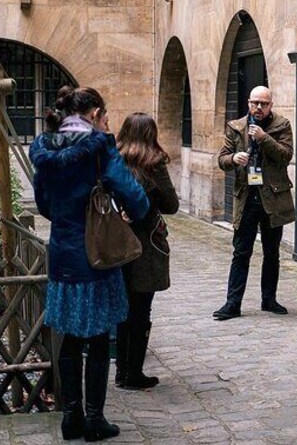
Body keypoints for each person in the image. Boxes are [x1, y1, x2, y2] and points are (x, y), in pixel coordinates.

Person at [30, 87, 149, 442]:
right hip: (96, 253)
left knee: (68, 337)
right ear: (95, 113)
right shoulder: (99, 147)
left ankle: (71, 418)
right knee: (97, 337)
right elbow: (133, 195)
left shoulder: (46, 148)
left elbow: (43, 203)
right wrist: (132, 210)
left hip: (63, 252)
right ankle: (95, 420)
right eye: (105, 114)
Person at [213, 85, 295, 320]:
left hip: (273, 198)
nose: (258, 107)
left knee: (272, 252)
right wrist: (233, 158)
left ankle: (269, 300)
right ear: (248, 103)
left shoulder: (282, 125)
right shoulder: (236, 127)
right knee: (241, 252)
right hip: (246, 198)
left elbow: (286, 155)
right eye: (255, 103)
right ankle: (233, 303)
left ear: (271, 105)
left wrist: (264, 138)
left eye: (264, 104)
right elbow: (221, 159)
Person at [115, 113, 179, 390]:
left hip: (114, 242)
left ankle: (121, 371)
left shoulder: (113, 161)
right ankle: (133, 374)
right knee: (141, 310)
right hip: (144, 244)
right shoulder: (154, 164)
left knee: (123, 309)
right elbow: (172, 204)